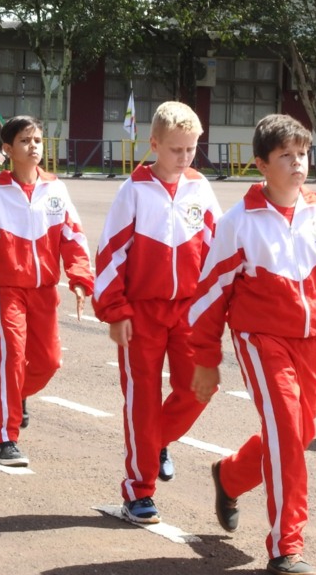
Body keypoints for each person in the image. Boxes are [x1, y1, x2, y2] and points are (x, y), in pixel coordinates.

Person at [190, 114, 316, 575]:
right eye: (285, 156)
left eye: (303, 153)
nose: (298, 164)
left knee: (299, 434)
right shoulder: (240, 222)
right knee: (287, 433)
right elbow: (210, 294)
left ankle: (231, 475)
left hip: (310, 340)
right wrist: (205, 359)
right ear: (261, 164)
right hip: (260, 338)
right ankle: (286, 545)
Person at [93, 101, 222, 525]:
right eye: (175, 150)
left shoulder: (201, 188)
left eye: (190, 150)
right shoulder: (133, 190)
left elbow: (219, 250)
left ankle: (155, 443)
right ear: (154, 144)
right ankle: (139, 492)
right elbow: (110, 254)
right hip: (140, 314)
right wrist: (115, 311)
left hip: (188, 312)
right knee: (142, 403)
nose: (184, 158)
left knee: (198, 390)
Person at [0, 115, 94, 468]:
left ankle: (16, 396)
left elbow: (73, 237)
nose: (33, 147)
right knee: (12, 356)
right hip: (8, 290)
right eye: (26, 141)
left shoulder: (56, 190)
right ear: (8, 149)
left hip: (45, 290)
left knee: (49, 362)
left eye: (38, 140)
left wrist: (79, 277)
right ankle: (5, 437)